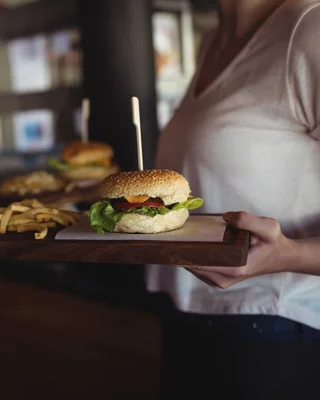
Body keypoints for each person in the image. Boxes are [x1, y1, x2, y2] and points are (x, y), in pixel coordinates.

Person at [146, 0, 320, 398]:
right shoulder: (211, 41)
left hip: (275, 331)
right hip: (187, 312)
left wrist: (288, 255)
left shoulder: (308, 28)